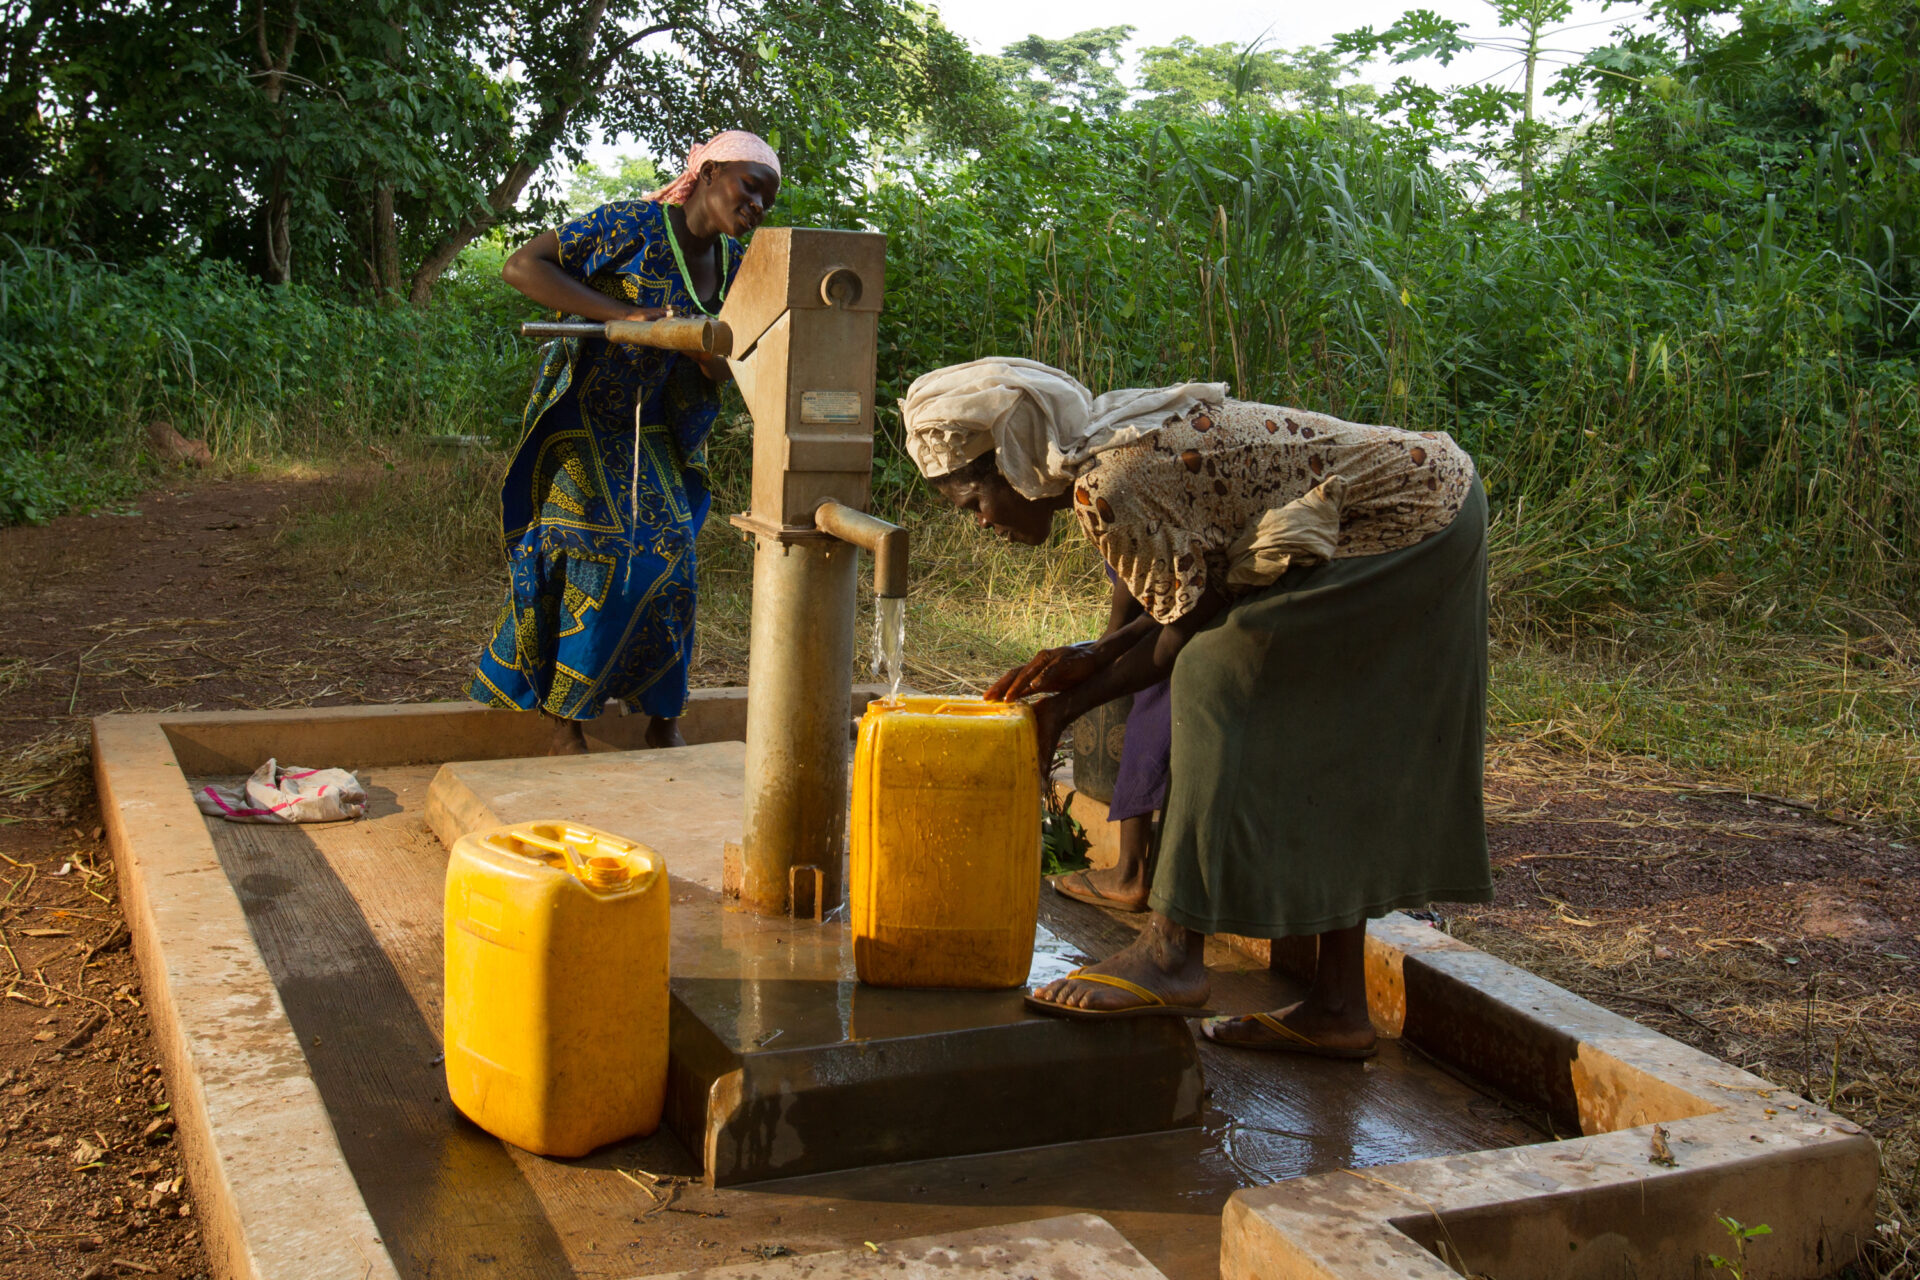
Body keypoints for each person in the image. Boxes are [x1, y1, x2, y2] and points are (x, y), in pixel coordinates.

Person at [903, 357, 1492, 1059]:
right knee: (1316, 719)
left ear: (1013, 466)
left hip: (1413, 515)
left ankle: (1172, 955)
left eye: (975, 505)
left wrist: (1066, 708)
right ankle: (1338, 1007)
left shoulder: (1110, 482)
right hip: (1420, 499)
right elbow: (1195, 594)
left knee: (1217, 676)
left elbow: (1184, 639)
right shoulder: (1104, 450)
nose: (982, 525)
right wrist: (1093, 657)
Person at [470, 131, 781, 755]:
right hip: (582, 418)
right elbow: (521, 267)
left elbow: (726, 364)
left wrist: (710, 349)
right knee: (597, 556)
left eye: (768, 201)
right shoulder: (629, 224)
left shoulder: (737, 265)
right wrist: (622, 319)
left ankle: (662, 719)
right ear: (711, 172)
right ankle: (567, 723)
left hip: (659, 431)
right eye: (750, 188)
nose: (757, 208)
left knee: (673, 563)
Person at [1046, 566, 1170, 914]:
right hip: (1184, 599)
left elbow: (1143, 590)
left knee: (1154, 694)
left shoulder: (1100, 511)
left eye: (977, 506)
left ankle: (1129, 871)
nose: (983, 521)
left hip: (1194, 603)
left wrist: (1103, 651)